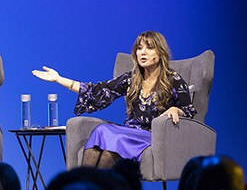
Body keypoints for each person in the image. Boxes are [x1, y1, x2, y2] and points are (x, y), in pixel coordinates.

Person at [32, 30, 195, 168]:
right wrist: (59, 79)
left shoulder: (173, 79)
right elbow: (97, 91)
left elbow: (189, 112)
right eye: (139, 48)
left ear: (160, 53)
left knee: (109, 136)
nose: (142, 52)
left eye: (149, 48)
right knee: (103, 138)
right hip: (130, 132)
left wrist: (176, 109)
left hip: (152, 136)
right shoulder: (132, 79)